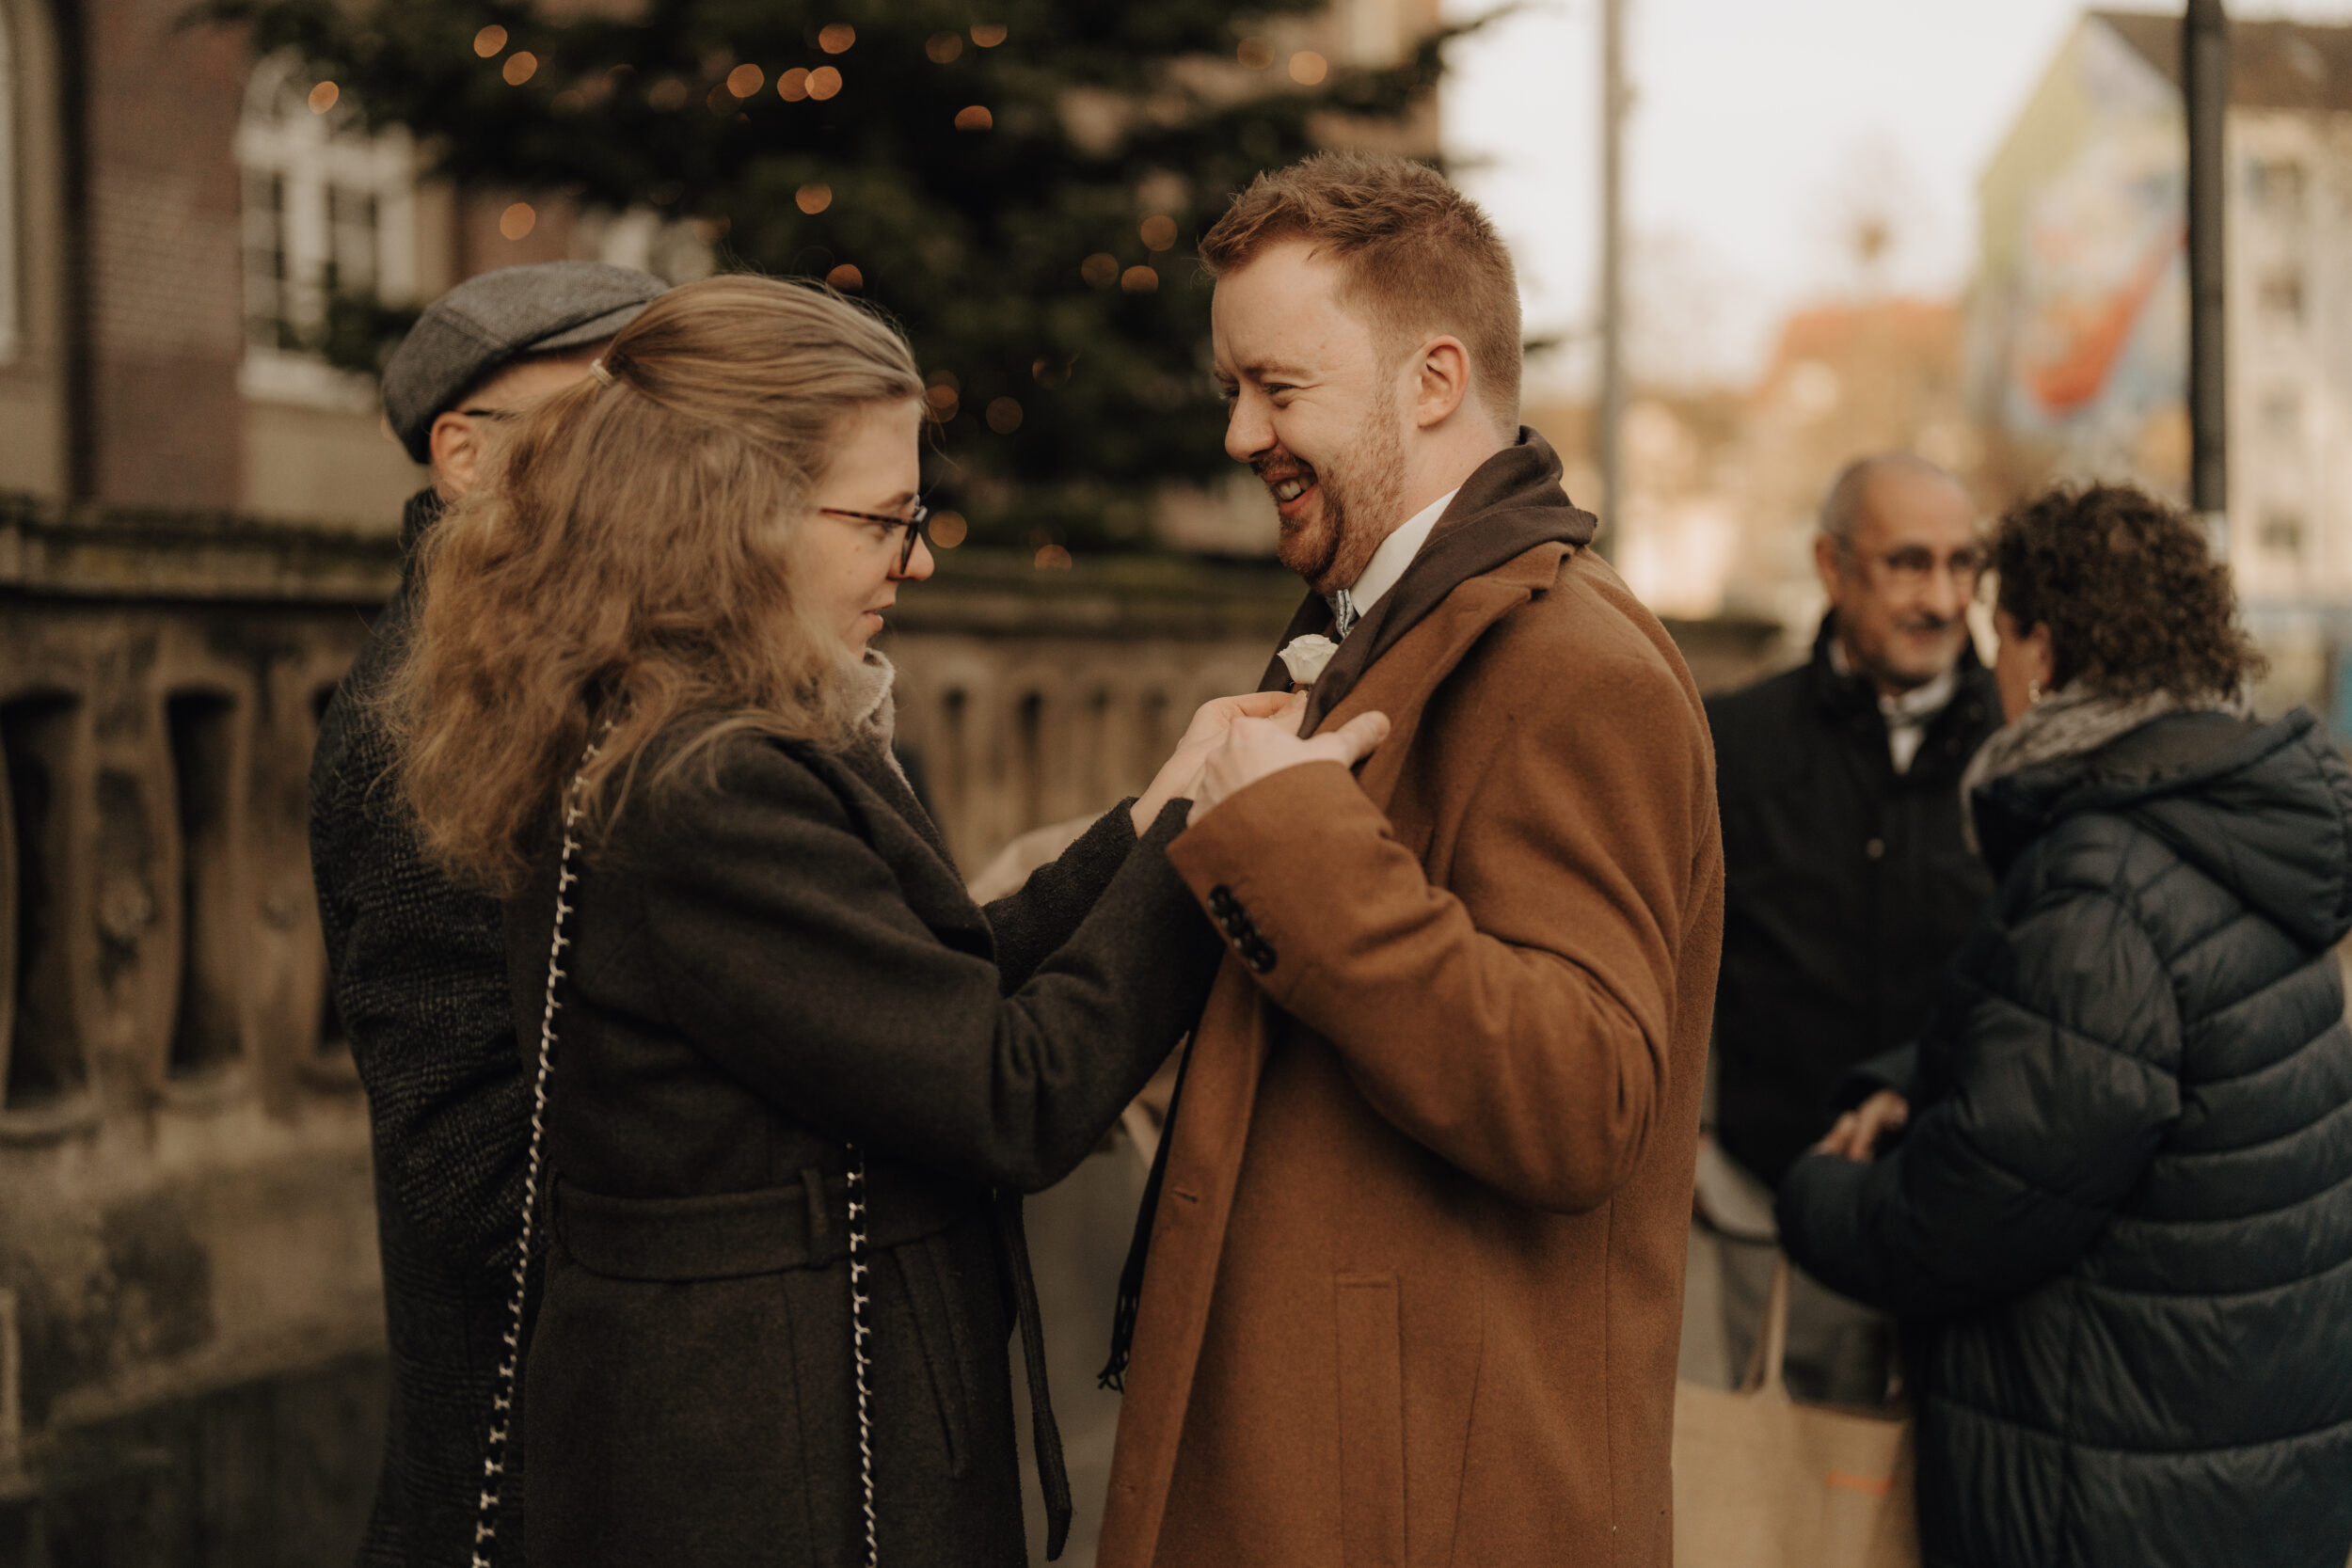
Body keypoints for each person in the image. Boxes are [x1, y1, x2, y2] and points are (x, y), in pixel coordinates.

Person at [389, 273, 1324, 1568]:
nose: (920, 555)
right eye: (886, 517)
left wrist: (1153, 809)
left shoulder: (692, 722)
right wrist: (1214, 836)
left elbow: (919, 990)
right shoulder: (708, 782)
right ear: (734, 514)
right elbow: (1013, 1089)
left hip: (773, 1423)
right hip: (769, 1464)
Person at [1095, 153, 1723, 1566]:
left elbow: (1584, 1095)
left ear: (1434, 380)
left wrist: (1297, 847)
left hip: (1430, 1503)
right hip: (1343, 1477)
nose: (1241, 432)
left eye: (1279, 387)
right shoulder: (1385, 622)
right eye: (1231, 390)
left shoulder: (1574, 664)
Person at [1777, 483, 2352, 1567]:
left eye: (1999, 632)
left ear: (2041, 653)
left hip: (2108, 1493)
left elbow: (1975, 1206)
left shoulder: (2105, 879)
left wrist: (1818, 1194)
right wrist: (1925, 1072)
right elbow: (2134, 1059)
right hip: (2239, 1463)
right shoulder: (2227, 821)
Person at [309, 259, 665, 1568]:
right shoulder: (428, 718)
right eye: (603, 420)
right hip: (516, 1478)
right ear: (463, 452)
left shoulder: (568, 665)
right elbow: (470, 1162)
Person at [1700, 452, 2000, 1402]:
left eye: (1964, 565)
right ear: (1831, 567)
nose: (1944, 597)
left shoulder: (2024, 747)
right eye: (1909, 562)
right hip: (1775, 1221)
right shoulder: (1731, 743)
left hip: (1977, 1230)